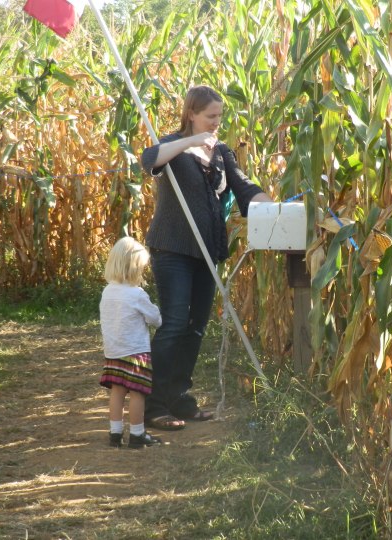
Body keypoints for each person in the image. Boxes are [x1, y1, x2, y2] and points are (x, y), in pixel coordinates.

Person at [140, 85, 272, 430]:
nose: (216, 122)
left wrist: (271, 206)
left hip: (207, 251)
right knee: (173, 326)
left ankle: (180, 398)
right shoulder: (172, 144)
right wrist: (189, 142)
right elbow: (148, 160)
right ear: (191, 115)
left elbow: (243, 187)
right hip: (173, 249)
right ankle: (153, 406)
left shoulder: (222, 152)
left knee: (195, 328)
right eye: (210, 116)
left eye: (219, 116)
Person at [99, 237, 163, 448]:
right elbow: (156, 319)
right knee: (138, 394)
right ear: (134, 267)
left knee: (117, 392)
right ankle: (137, 435)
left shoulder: (107, 292)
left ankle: (115, 434)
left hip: (114, 351)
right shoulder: (136, 294)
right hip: (136, 353)